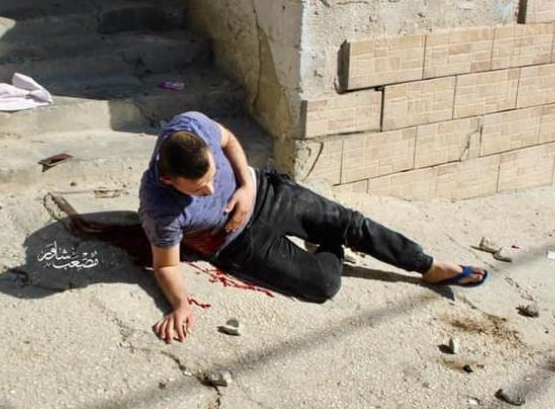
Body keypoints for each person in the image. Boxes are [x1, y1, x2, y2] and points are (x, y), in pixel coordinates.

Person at [139, 111, 488, 343]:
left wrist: (244, 185)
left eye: (213, 177)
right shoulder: (159, 208)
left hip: (263, 192)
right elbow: (166, 265)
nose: (212, 189)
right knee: (323, 284)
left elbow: (228, 139)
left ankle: (427, 266)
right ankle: (329, 242)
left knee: (350, 221)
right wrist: (180, 305)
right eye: (199, 189)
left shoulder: (192, 125)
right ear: (169, 180)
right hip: (236, 240)